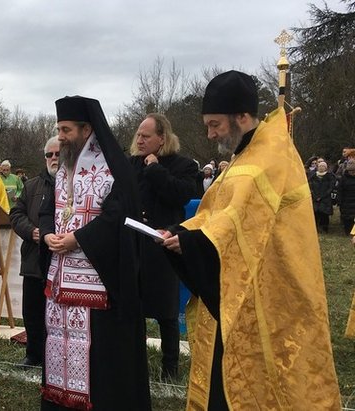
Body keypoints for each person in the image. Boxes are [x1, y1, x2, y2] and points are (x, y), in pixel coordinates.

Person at [161, 71, 341, 410]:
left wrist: (194, 244)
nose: (210, 133)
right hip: (241, 289)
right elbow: (215, 211)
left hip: (274, 293)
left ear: (241, 117)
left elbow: (242, 220)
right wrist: (182, 231)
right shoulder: (246, 155)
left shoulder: (269, 156)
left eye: (215, 124)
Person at [39, 96, 151, 410]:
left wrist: (78, 239)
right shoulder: (63, 168)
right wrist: (48, 233)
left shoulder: (115, 168)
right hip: (59, 283)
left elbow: (118, 217)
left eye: (66, 130)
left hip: (100, 285)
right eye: (59, 129)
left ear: (87, 128)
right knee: (58, 350)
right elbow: (47, 209)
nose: (60, 136)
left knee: (98, 361)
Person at [128, 113, 198, 380]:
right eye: (138, 135)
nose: (140, 140)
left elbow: (181, 194)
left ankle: (170, 369)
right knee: (133, 308)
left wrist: (155, 169)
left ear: (162, 138)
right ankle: (134, 365)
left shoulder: (184, 165)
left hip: (164, 244)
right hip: (134, 242)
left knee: (166, 312)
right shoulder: (131, 163)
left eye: (146, 136)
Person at [9, 136, 58, 367]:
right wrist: (32, 232)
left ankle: (57, 356)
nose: (54, 158)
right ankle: (34, 354)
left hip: (62, 259)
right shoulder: (31, 186)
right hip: (33, 258)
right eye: (50, 154)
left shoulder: (75, 185)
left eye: (58, 153)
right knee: (32, 311)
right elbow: (16, 215)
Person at [308, 160, 336, 233]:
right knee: (315, 214)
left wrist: (322, 196)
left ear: (326, 168)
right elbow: (310, 186)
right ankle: (315, 229)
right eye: (320, 166)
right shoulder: (313, 176)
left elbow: (331, 188)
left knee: (324, 215)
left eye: (323, 166)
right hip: (315, 198)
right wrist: (314, 196)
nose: (321, 168)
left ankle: (324, 229)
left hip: (325, 199)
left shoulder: (330, 176)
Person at [338, 149, 355, 234]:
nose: (352, 172)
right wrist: (339, 200)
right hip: (346, 201)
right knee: (347, 217)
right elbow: (340, 190)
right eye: (351, 170)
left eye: (353, 171)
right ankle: (347, 231)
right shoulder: (343, 178)